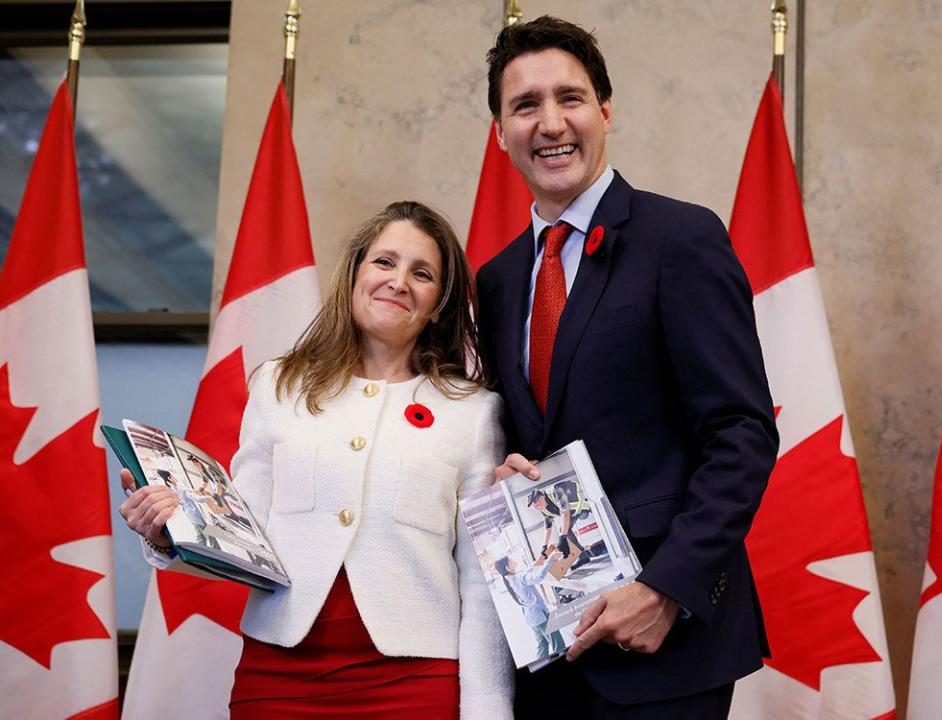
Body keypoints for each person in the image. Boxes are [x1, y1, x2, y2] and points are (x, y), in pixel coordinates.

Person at [475, 16, 779, 719]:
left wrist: (665, 588)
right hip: (547, 655)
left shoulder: (682, 238)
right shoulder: (495, 279)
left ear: (605, 111)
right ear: (499, 131)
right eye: (525, 106)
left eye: (570, 98)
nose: (550, 123)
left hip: (663, 647)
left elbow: (741, 434)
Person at [119, 201, 514, 719]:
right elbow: (245, 534)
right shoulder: (278, 385)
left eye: (422, 274)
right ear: (354, 275)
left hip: (414, 684)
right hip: (279, 677)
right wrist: (170, 529)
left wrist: (488, 707)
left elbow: (482, 580)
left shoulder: (475, 412)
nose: (398, 281)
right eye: (384, 262)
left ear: (439, 303)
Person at [494, 552, 565, 660]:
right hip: (541, 618)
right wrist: (550, 559)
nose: (513, 560)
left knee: (542, 647)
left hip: (532, 619)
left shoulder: (509, 580)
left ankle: (539, 666)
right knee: (558, 645)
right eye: (510, 560)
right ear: (508, 567)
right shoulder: (519, 577)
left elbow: (525, 573)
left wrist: (536, 563)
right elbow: (538, 577)